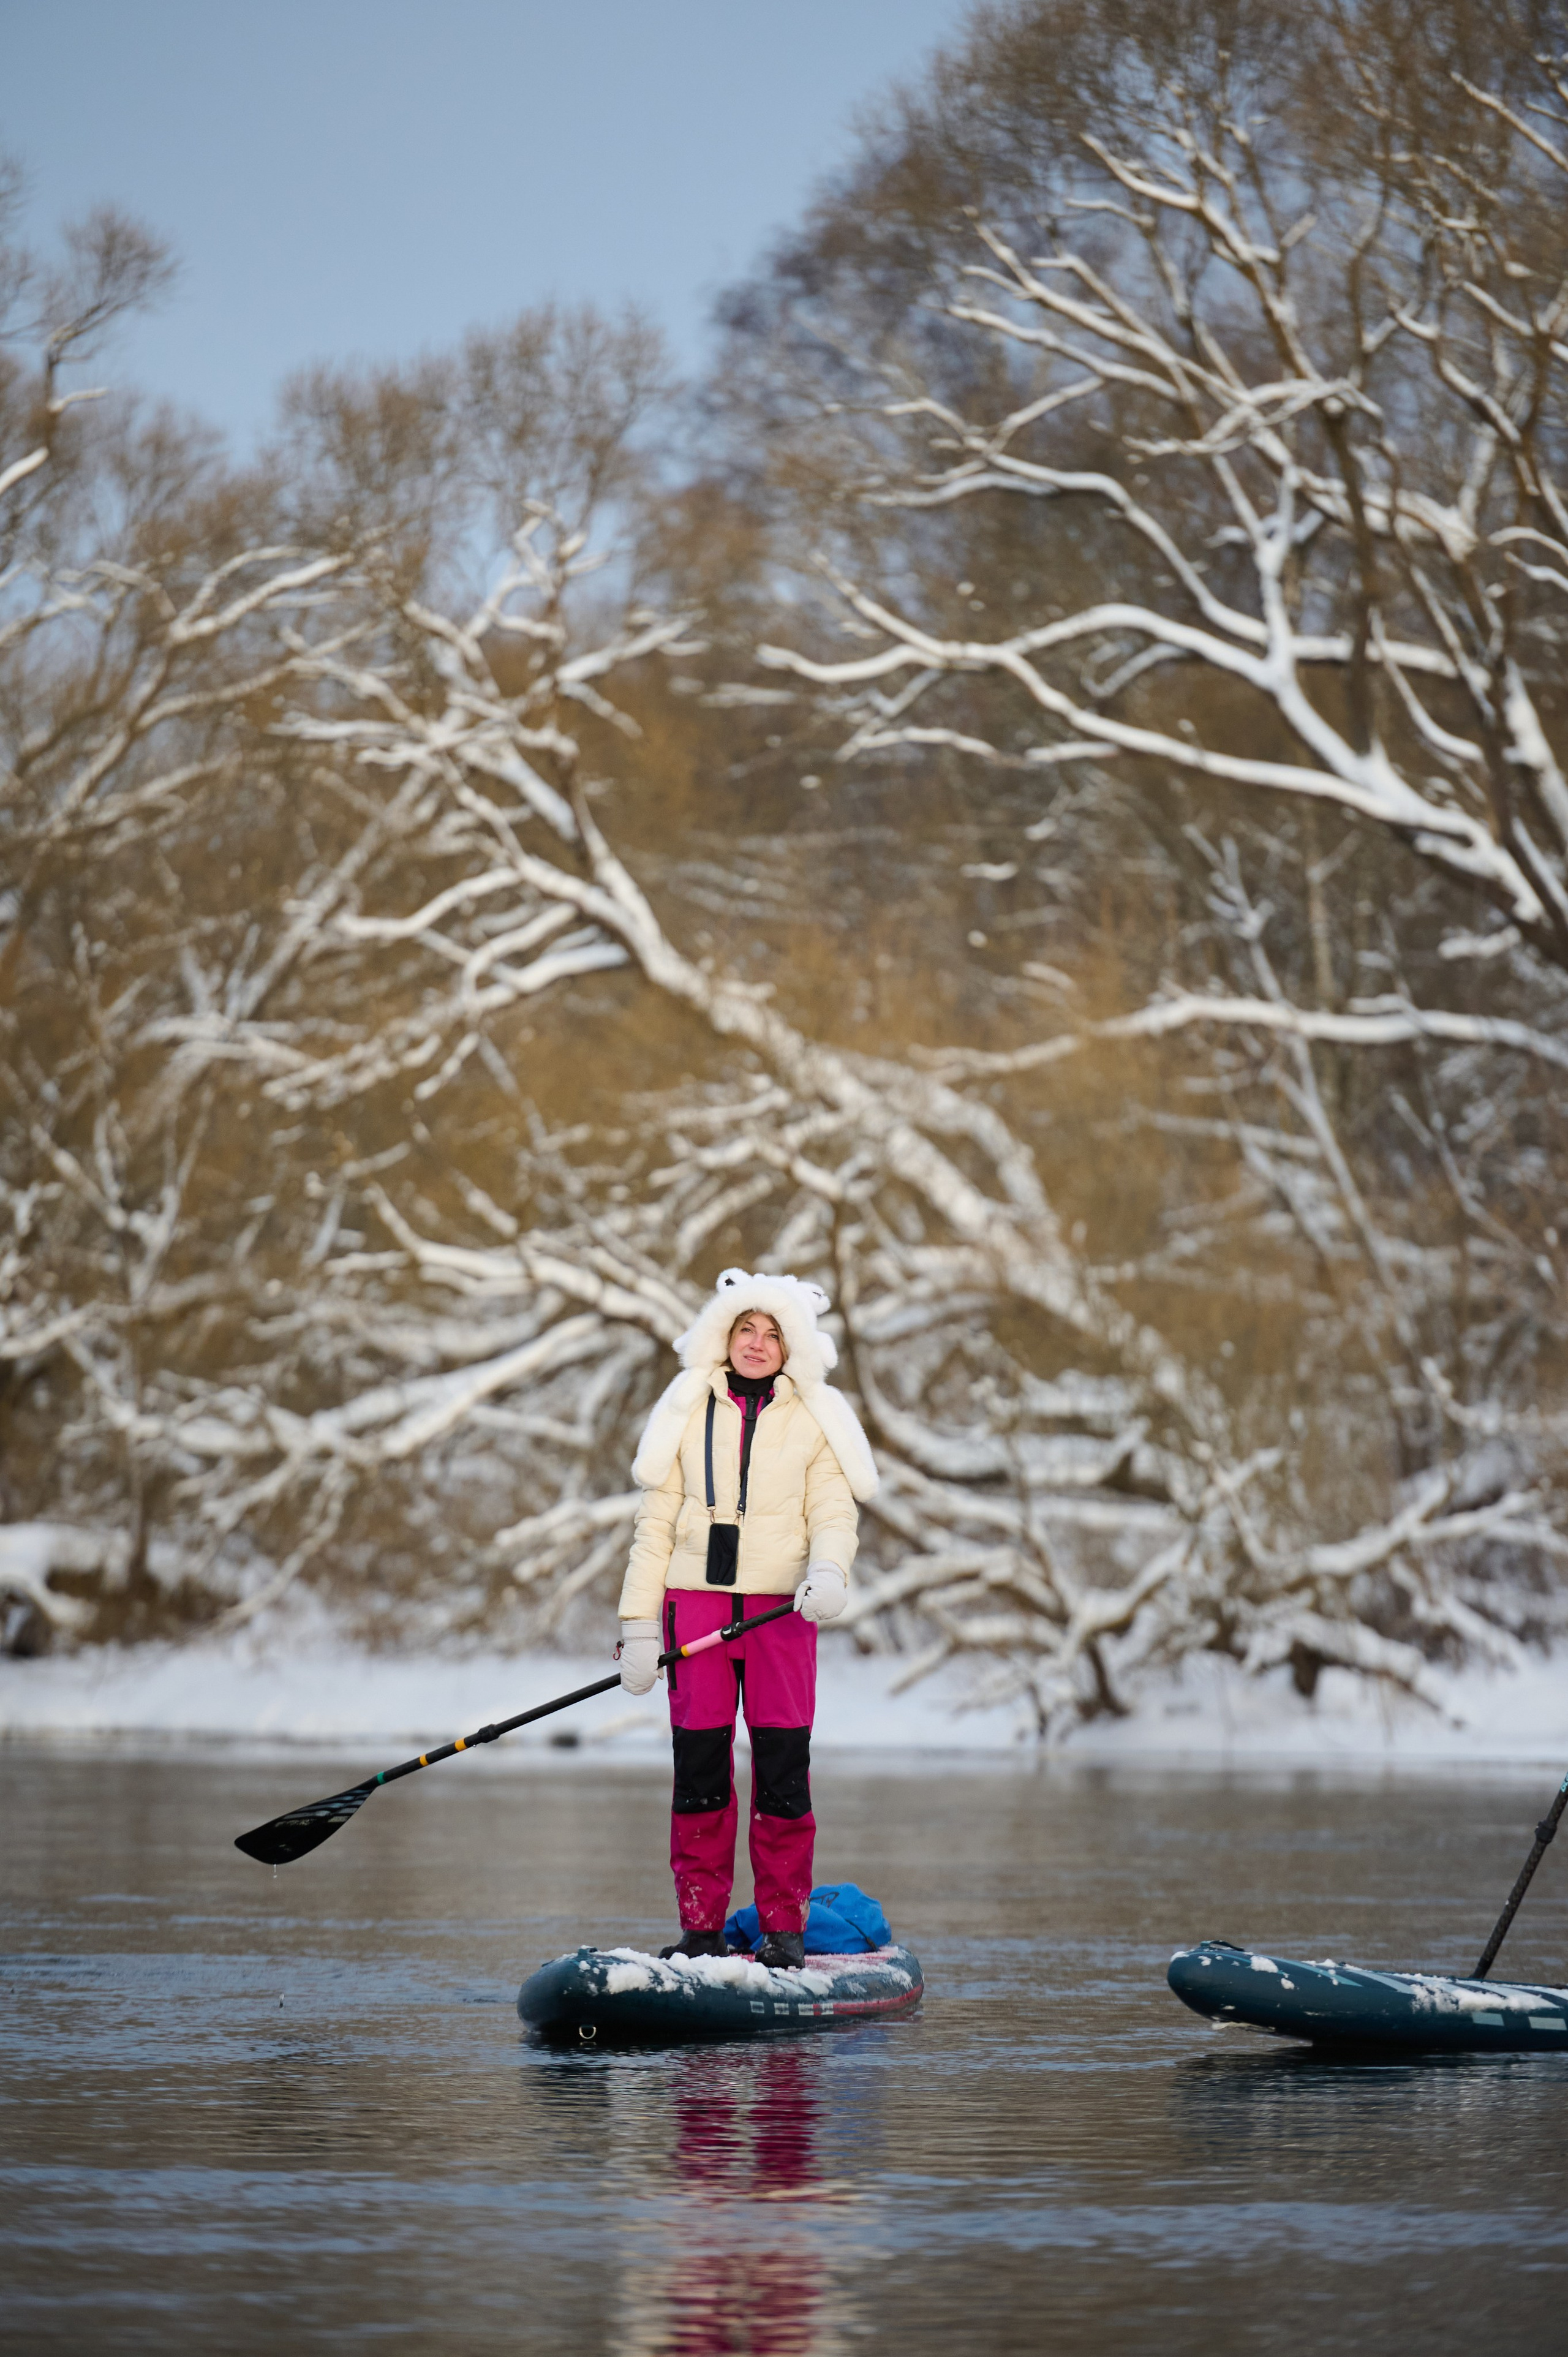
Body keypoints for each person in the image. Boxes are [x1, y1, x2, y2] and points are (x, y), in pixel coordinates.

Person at [616, 1269, 880, 1969]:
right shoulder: (685, 1410)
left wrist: (830, 1570)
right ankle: (700, 1929)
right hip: (693, 1610)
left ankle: (784, 1929)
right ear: (725, 1335)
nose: (757, 1344)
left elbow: (833, 1511)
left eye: (771, 1334)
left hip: (780, 1616)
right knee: (699, 1776)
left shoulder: (813, 1420)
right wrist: (638, 1624)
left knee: (782, 1777)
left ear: (791, 1346)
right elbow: (654, 1525)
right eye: (745, 1330)